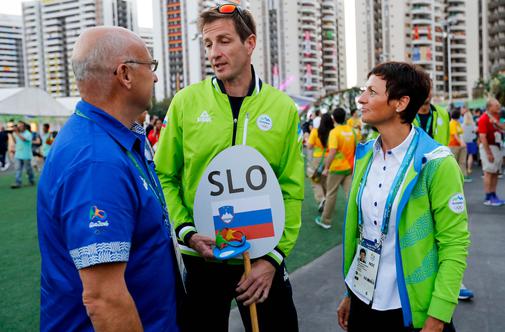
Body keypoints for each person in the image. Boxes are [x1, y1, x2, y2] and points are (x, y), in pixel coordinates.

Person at [155, 4, 304, 331]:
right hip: (203, 255)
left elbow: (291, 189)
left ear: (249, 43)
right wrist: (187, 233)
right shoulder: (186, 102)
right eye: (208, 44)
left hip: (261, 254)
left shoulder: (282, 108)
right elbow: (163, 175)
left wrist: (272, 258)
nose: (214, 53)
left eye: (224, 41)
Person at [37, 26, 180, 331]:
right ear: (125, 74)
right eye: (150, 66)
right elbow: (104, 299)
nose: (155, 77)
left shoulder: (114, 138)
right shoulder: (96, 161)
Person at [337, 62, 469, 331]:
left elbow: (454, 243)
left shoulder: (436, 162)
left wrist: (439, 315)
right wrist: (352, 292)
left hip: (411, 309)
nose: (361, 99)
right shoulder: (365, 155)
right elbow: (366, 233)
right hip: (364, 301)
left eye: (372, 92)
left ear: (400, 103)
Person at [315, 108, 356, 230]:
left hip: (336, 169)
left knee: (331, 194)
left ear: (333, 118)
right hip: (349, 168)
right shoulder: (352, 131)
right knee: (351, 195)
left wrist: (326, 167)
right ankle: (356, 221)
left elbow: (332, 152)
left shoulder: (334, 132)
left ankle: (325, 220)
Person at [478, 98, 504, 206]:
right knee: (488, 172)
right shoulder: (483, 118)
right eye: (496, 105)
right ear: (489, 107)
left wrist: (497, 123)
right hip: (489, 147)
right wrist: (488, 152)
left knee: (495, 172)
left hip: (497, 147)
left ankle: (493, 195)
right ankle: (488, 197)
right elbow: (483, 137)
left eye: (498, 105)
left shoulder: (499, 117)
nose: (499, 107)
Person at [307, 113, 334, 211]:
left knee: (315, 180)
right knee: (324, 181)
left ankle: (321, 199)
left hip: (318, 159)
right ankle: (327, 201)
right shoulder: (333, 132)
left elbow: (309, 146)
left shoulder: (315, 131)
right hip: (330, 159)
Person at [10, 121, 34, 188]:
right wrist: (12, 134)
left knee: (28, 169)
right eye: (19, 126)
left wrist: (17, 133)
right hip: (18, 154)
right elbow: (16, 141)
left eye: (21, 126)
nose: (19, 127)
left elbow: (24, 140)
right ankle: (18, 182)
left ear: (24, 127)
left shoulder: (28, 134)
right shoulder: (18, 133)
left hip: (26, 155)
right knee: (18, 169)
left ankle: (31, 181)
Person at [449, 110, 470, 182]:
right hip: (454, 145)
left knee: (462, 161)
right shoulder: (452, 123)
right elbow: (455, 135)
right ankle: (454, 177)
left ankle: (463, 175)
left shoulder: (457, 123)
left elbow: (460, 134)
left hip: (460, 145)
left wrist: (462, 142)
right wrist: (462, 143)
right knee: (455, 161)